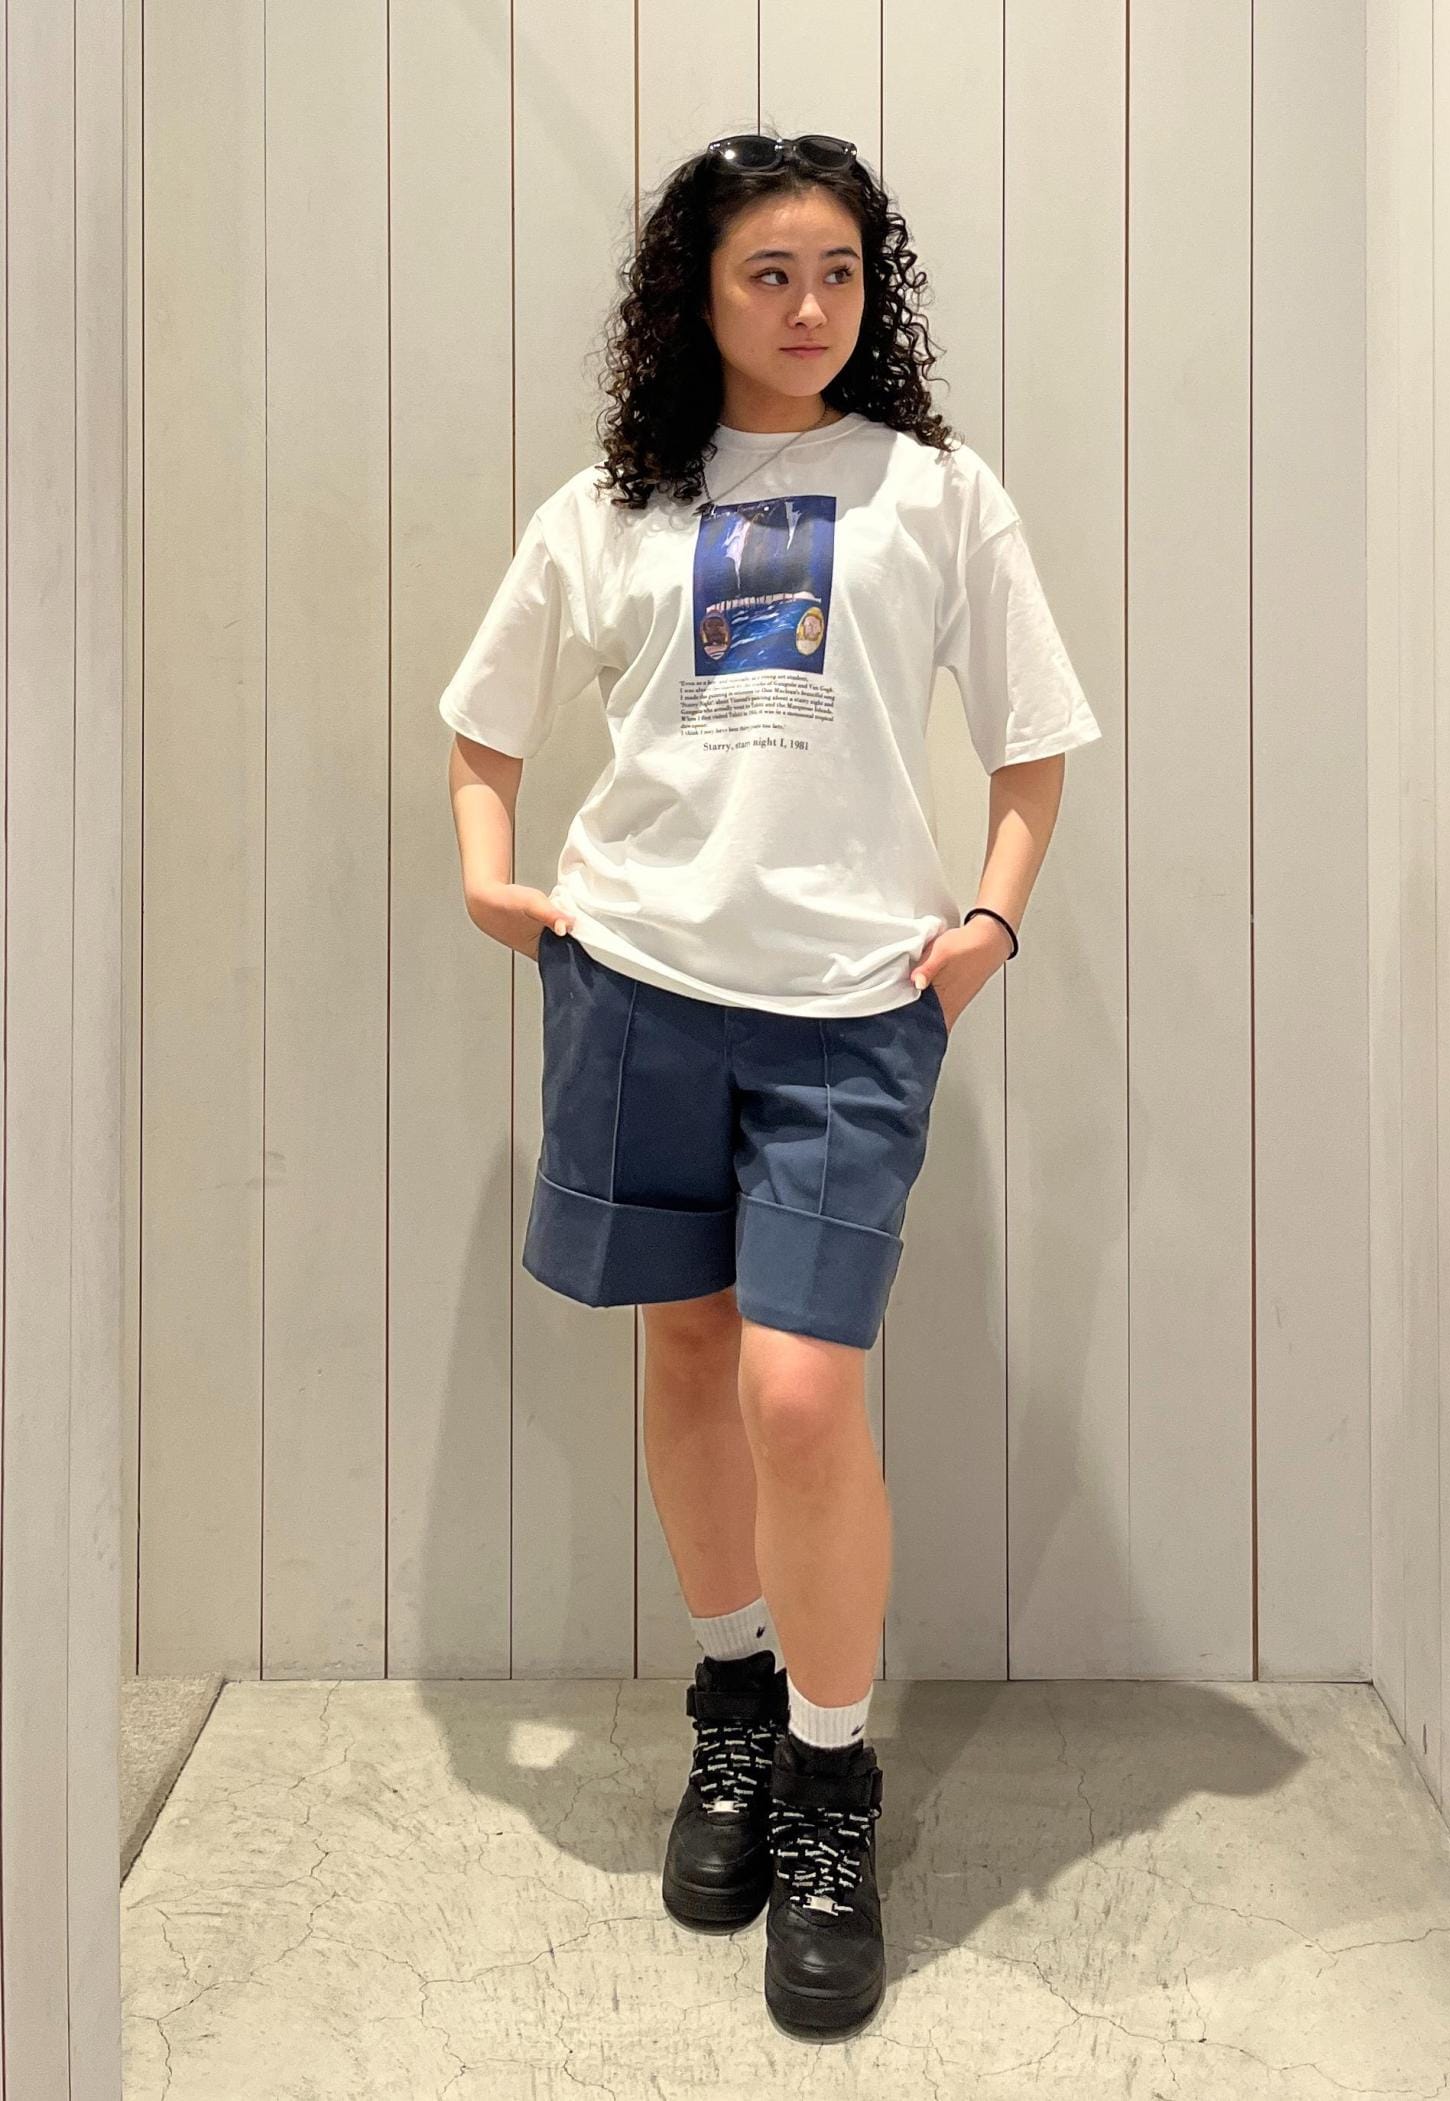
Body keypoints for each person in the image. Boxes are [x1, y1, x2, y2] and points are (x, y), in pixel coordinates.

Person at [440, 130, 1102, 2039]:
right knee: (687, 1355)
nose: (811, 308)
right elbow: (484, 718)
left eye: (838, 272)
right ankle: (732, 1705)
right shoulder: (613, 505)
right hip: (640, 983)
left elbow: (1034, 740)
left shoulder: (934, 492)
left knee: (802, 1391)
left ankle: (829, 1774)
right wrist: (491, 877)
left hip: (850, 1008)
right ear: (698, 292)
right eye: (769, 273)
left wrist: (989, 923)